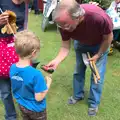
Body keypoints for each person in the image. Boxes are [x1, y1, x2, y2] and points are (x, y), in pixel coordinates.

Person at [46, 0, 113, 116]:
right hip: (81, 44)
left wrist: (98, 55)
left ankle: (93, 103)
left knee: (97, 75)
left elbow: (108, 38)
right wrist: (56, 61)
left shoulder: (98, 17)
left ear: (78, 16)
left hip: (100, 45)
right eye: (61, 25)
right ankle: (78, 95)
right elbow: (65, 47)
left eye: (66, 25)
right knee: (78, 71)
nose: (64, 28)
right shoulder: (63, 24)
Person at [9, 30, 52, 120]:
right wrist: (48, 83)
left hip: (22, 105)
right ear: (33, 53)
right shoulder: (36, 74)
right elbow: (39, 98)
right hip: (36, 109)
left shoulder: (12, 68)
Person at [0, 0, 29, 119]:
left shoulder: (25, 4)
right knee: (5, 92)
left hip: (17, 48)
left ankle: (27, 113)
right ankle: (11, 116)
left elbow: (24, 26)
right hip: (1, 50)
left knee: (22, 86)